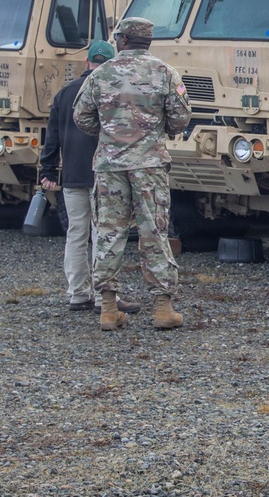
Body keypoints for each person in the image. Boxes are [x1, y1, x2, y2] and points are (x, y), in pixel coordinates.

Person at [73, 17, 192, 331]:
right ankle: (164, 309)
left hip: (110, 166)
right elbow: (180, 119)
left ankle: (108, 309)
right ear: (147, 42)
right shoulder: (166, 73)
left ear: (121, 40)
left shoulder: (100, 74)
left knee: (109, 234)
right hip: (149, 165)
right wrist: (153, 132)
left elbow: (82, 117)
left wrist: (110, 132)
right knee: (154, 232)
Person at [38, 41, 141, 316]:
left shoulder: (64, 93)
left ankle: (77, 293)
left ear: (86, 63)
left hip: (71, 174)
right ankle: (103, 296)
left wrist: (47, 170)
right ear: (110, 64)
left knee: (76, 233)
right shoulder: (112, 93)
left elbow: (52, 137)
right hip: (105, 175)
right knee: (103, 235)